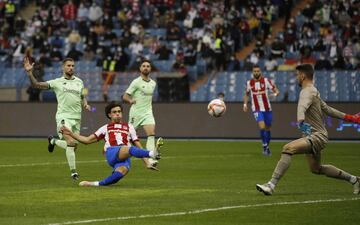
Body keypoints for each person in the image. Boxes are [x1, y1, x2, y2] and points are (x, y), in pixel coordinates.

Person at [256, 64, 360, 196]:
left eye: (297, 75)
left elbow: (302, 107)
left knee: (288, 148)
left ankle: (271, 185)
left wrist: (300, 120)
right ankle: (354, 180)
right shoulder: (314, 91)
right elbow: (328, 110)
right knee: (316, 169)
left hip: (316, 136)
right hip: (316, 136)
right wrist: (350, 118)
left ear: (303, 76)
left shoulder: (306, 92)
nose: (296, 78)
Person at [60, 102, 164, 187]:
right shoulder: (105, 128)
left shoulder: (129, 127)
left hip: (124, 155)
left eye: (119, 111)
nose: (117, 113)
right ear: (109, 115)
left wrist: (147, 163)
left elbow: (138, 145)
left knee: (119, 174)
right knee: (129, 148)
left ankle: (94, 184)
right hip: (112, 152)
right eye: (114, 112)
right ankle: (153, 153)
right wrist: (70, 133)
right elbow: (87, 140)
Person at [23, 57, 91, 180]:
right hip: (64, 116)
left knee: (74, 146)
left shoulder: (79, 82)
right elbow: (37, 84)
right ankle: (74, 173)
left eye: (73, 66)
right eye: (69, 65)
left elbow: (82, 96)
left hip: (77, 118)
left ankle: (53, 141)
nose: (71, 68)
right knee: (70, 142)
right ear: (63, 67)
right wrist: (30, 73)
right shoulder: (57, 82)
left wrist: (85, 103)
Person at [123, 59, 161, 167]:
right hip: (136, 113)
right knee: (128, 137)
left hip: (148, 113)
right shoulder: (136, 82)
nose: (146, 68)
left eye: (148, 66)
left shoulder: (153, 83)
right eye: (143, 66)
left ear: (150, 69)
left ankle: (150, 158)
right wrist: (130, 101)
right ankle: (120, 152)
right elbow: (125, 96)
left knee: (151, 133)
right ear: (140, 69)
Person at [243, 65, 280, 156]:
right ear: (252, 72)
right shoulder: (249, 83)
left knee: (268, 128)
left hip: (267, 108)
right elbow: (246, 94)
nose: (256, 72)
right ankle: (264, 146)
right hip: (256, 108)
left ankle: (267, 146)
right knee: (262, 126)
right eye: (254, 71)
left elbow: (276, 91)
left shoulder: (266, 81)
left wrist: (275, 94)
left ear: (260, 72)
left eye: (257, 71)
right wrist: (245, 104)